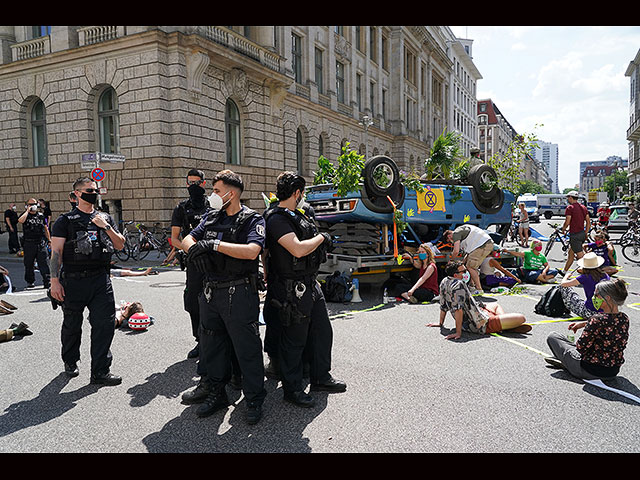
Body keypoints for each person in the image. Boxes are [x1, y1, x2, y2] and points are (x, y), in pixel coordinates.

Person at [180, 169, 266, 425]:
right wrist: (195, 249)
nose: (213, 195)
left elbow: (252, 251)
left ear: (231, 193)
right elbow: (187, 238)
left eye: (216, 191)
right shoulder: (211, 216)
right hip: (211, 292)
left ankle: (253, 398)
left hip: (238, 292)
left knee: (247, 348)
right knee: (212, 346)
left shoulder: (252, 219)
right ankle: (217, 392)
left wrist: (215, 245)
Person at [263, 172, 346, 408]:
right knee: (294, 340)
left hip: (310, 283)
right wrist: (322, 238)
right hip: (291, 287)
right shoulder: (276, 218)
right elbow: (297, 249)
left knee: (322, 331)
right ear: (297, 193)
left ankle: (321, 377)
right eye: (303, 193)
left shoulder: (299, 214)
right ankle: (292, 389)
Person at [49, 177, 126, 386]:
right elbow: (56, 253)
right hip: (74, 280)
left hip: (101, 279)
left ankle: (100, 371)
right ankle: (70, 360)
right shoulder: (65, 221)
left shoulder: (104, 217)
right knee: (72, 324)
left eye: (95, 189)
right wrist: (54, 282)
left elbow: (120, 245)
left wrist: (106, 227)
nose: (93, 193)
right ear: (76, 194)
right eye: (88, 190)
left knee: (104, 325)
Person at [545, 278, 629, 379]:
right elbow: (609, 323)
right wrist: (585, 323)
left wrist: (589, 325)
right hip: (613, 371)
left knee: (553, 337)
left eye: (596, 295)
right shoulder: (624, 318)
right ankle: (567, 362)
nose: (594, 298)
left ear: (607, 298)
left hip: (590, 370)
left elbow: (581, 348)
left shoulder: (597, 320)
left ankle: (568, 364)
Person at [428, 260, 530, 340]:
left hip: (478, 314)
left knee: (495, 305)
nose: (466, 273)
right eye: (463, 271)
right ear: (456, 275)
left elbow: (443, 305)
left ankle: (505, 325)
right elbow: (458, 309)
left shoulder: (444, 281)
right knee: (521, 318)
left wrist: (440, 323)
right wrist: (458, 332)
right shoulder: (459, 285)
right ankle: (506, 327)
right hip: (480, 324)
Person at [170, 169, 212, 359]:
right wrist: (191, 250)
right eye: (190, 183)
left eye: (197, 183)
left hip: (213, 260)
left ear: (203, 183)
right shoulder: (181, 208)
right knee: (193, 302)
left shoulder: (212, 206)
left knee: (214, 301)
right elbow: (174, 238)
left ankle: (214, 340)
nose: (193, 186)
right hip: (194, 261)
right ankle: (199, 340)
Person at [442, 224, 494, 295]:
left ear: (449, 236)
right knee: (470, 266)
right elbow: (468, 253)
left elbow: (456, 251)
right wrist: (462, 262)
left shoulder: (456, 234)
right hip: (486, 244)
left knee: (471, 267)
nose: (451, 242)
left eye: (449, 241)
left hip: (481, 245)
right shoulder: (463, 231)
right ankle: (472, 287)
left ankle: (479, 289)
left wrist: (451, 260)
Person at [558, 252, 609, 320]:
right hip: (605, 311)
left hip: (590, 311)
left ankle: (564, 308)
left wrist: (566, 277)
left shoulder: (585, 277)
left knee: (564, 288)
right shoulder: (605, 275)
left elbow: (563, 284)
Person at [18, 197, 51, 289]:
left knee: (44, 262)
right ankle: (30, 281)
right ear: (27, 205)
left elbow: (45, 228)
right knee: (29, 263)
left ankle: (47, 281)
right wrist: (27, 211)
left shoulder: (41, 215)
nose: (33, 206)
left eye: (34, 204)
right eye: (31, 204)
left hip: (40, 242)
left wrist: (49, 240)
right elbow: (20, 220)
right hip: (29, 243)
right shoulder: (25, 215)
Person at [561, 191, 590, 274]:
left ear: (570, 198)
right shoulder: (583, 207)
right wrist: (586, 232)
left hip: (575, 235)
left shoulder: (570, 208)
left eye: (568, 198)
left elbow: (567, 221)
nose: (567, 200)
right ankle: (564, 271)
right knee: (571, 253)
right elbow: (588, 221)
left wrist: (563, 229)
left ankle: (590, 273)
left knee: (580, 256)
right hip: (581, 234)